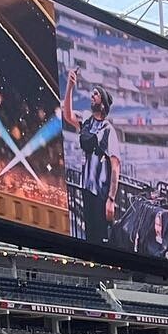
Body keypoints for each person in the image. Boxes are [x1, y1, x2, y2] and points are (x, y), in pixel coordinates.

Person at [60, 70, 121, 246]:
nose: (92, 96)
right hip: (86, 189)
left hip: (101, 194)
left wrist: (111, 199)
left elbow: (115, 167)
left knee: (101, 239)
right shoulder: (86, 120)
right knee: (90, 238)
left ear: (103, 103)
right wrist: (70, 87)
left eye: (96, 94)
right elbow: (68, 115)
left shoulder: (109, 131)